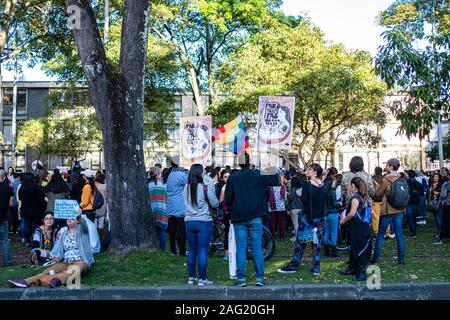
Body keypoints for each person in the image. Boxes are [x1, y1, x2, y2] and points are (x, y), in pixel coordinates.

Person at [225, 153, 279, 287]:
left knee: (241, 248)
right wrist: (270, 165)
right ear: (249, 161)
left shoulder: (233, 177)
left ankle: (241, 278)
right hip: (255, 216)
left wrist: (231, 212)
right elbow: (275, 180)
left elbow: (227, 198)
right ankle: (260, 278)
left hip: (239, 217)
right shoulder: (256, 174)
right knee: (257, 248)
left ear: (239, 163)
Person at [7, 210, 94, 288]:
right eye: (67, 218)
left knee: (75, 269)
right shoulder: (64, 234)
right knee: (48, 271)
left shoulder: (82, 232)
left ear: (77, 221)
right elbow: (60, 250)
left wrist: (79, 215)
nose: (69, 219)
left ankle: (57, 281)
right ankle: (25, 282)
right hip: (65, 262)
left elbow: (84, 225)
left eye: (72, 218)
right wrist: (58, 257)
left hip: (80, 261)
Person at [277, 163, 327, 276]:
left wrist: (300, 195)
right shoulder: (323, 185)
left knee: (300, 243)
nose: (307, 170)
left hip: (308, 217)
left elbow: (304, 200)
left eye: (310, 169)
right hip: (319, 218)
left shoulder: (307, 184)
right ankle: (316, 268)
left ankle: (294, 265)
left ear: (315, 172)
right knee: (317, 243)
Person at [184, 164, 219, 285]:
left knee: (192, 249)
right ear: (200, 173)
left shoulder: (186, 187)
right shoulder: (205, 187)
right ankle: (202, 278)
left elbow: (184, 203)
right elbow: (215, 204)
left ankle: (191, 277)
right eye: (203, 172)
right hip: (204, 221)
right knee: (203, 250)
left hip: (189, 221)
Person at [371, 158, 406, 265]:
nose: (385, 167)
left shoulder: (387, 178)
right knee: (399, 234)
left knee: (380, 234)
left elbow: (378, 194)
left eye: (387, 165)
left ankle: (375, 258)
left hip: (387, 211)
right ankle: (401, 259)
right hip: (400, 210)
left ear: (391, 167)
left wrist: (377, 188)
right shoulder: (402, 178)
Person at [339, 177, 372, 281]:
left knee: (359, 248)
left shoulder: (355, 198)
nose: (350, 187)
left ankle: (360, 273)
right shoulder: (363, 197)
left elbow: (352, 213)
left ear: (355, 187)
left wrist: (343, 220)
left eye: (351, 186)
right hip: (361, 226)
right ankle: (353, 268)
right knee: (354, 247)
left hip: (358, 227)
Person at [166, 157, 188, 256]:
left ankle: (173, 250)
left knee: (172, 230)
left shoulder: (169, 174)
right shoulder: (182, 175)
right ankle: (182, 251)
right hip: (180, 206)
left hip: (170, 206)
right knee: (181, 231)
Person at [18, 173, 47, 245]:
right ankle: (36, 239)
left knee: (27, 225)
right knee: (37, 226)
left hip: (26, 209)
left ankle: (27, 240)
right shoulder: (37, 187)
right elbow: (42, 198)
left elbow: (20, 199)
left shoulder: (22, 188)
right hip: (37, 210)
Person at [148, 167, 168, 252]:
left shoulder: (147, 185)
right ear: (157, 175)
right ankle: (162, 250)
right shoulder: (163, 186)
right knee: (162, 232)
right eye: (160, 173)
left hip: (151, 211)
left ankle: (154, 249)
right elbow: (167, 198)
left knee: (153, 232)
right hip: (162, 211)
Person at [323, 168, 341, 258]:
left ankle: (326, 250)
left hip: (325, 213)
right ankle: (334, 251)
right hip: (333, 213)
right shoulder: (333, 192)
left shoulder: (323, 189)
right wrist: (339, 204)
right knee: (334, 232)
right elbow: (334, 203)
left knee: (326, 232)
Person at [405, 170, 424, 239]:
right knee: (414, 217)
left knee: (410, 218)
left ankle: (413, 232)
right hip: (416, 202)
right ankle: (414, 231)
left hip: (408, 202)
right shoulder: (418, 183)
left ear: (408, 175)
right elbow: (422, 194)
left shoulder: (406, 183)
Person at [268, 174, 288, 241]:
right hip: (281, 207)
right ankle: (282, 237)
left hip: (271, 207)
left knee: (272, 223)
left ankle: (272, 237)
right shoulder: (283, 187)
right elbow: (285, 198)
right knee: (281, 223)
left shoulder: (269, 188)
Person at [0, 170, 13, 266]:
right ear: (4, 177)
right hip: (3, 216)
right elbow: (11, 204)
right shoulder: (8, 188)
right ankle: (7, 261)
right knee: (5, 240)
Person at [287, 174, 304, 242]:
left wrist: (287, 194)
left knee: (295, 224)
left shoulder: (294, 189)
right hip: (301, 208)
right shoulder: (301, 188)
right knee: (299, 223)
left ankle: (296, 238)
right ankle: (300, 235)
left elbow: (291, 198)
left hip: (294, 208)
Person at [219, 169, 231, 260]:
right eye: (225, 177)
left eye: (229, 176)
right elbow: (221, 201)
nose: (227, 178)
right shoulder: (224, 187)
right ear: (222, 179)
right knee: (227, 232)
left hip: (234, 212)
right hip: (227, 213)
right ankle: (226, 253)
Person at [429, 173, 444, 244]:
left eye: (437, 177)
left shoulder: (441, 185)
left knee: (439, 220)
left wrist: (438, 193)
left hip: (439, 205)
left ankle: (440, 234)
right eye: (434, 177)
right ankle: (439, 232)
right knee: (436, 219)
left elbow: (444, 194)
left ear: (439, 178)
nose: (435, 178)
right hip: (433, 204)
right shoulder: (431, 184)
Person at [94, 172, 108, 238]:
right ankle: (100, 234)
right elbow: (107, 196)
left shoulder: (94, 185)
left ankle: (94, 233)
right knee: (101, 219)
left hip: (95, 203)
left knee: (95, 219)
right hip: (103, 204)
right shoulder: (105, 186)